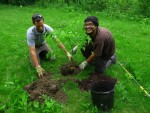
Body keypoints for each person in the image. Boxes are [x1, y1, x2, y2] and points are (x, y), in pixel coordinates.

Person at [26, 14, 73, 78]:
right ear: (34, 24)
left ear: (44, 22)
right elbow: (32, 50)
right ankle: (36, 56)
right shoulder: (30, 33)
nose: (40, 28)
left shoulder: (48, 29)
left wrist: (67, 53)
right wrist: (38, 66)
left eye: (41, 25)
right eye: (38, 26)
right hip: (35, 47)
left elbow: (57, 41)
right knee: (34, 64)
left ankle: (41, 54)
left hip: (43, 44)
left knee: (53, 58)